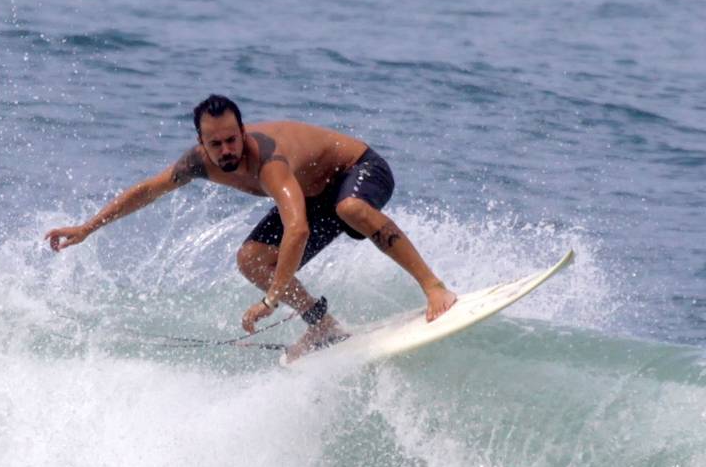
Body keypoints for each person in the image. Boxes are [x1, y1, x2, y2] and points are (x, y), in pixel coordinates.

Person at [45, 94, 457, 361]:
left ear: (242, 133)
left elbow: (297, 231)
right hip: (313, 196)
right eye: (215, 144)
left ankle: (433, 286)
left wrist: (271, 300)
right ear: (201, 143)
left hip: (359, 170)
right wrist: (87, 228)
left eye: (231, 140)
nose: (226, 151)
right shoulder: (197, 164)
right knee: (251, 259)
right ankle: (323, 326)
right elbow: (148, 190)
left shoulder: (270, 163)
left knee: (351, 206)